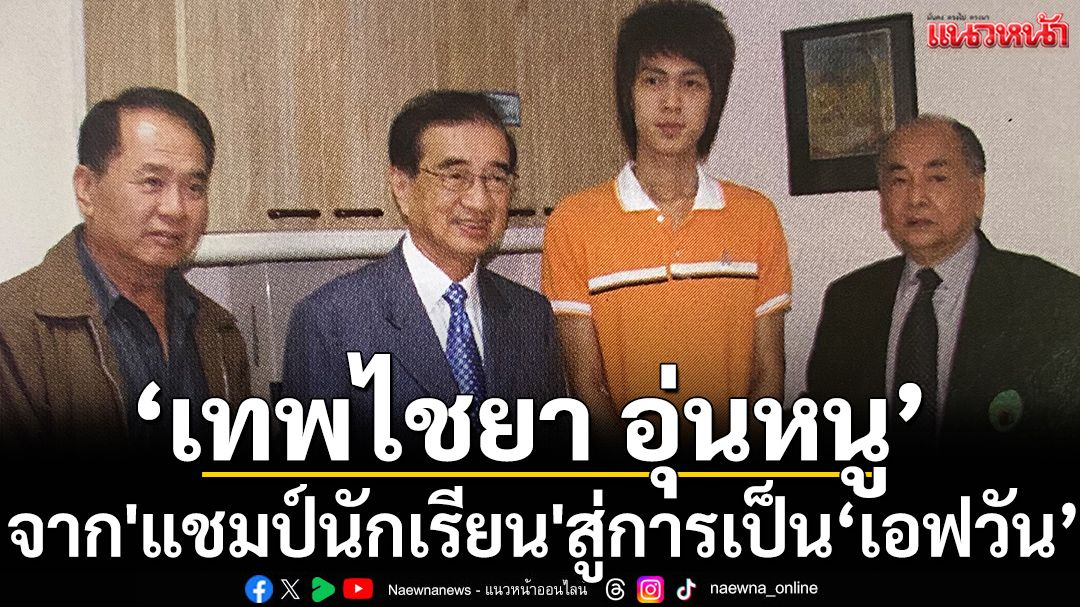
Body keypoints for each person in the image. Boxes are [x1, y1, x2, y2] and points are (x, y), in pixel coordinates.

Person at [541, 0, 792, 440]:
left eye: (691, 83)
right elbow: (587, 385)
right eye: (653, 80)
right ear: (629, 93)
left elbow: (768, 377)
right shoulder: (573, 222)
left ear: (714, 99)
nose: (671, 103)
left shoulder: (756, 217)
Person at [283, 91, 565, 458]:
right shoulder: (330, 322)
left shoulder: (530, 315)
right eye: (455, 176)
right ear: (402, 187)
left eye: (497, 178)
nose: (479, 201)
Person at [806, 115, 1080, 458]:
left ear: (977, 192)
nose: (916, 197)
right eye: (899, 181)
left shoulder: (1051, 300)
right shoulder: (849, 300)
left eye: (937, 178)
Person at [0, 87, 250, 455]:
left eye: (194, 187)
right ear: (87, 189)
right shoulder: (15, 328)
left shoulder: (218, 329)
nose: (175, 208)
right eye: (152, 182)